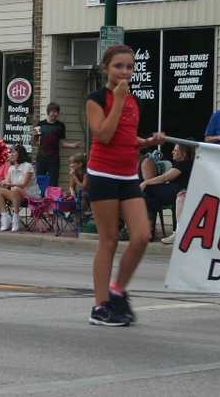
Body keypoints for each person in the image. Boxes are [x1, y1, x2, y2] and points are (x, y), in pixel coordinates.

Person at [86, 44, 166, 327]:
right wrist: (118, 100)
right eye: (118, 66)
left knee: (142, 236)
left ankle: (117, 289)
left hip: (128, 175)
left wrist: (147, 142)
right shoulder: (97, 99)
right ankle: (100, 306)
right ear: (106, 69)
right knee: (108, 240)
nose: (125, 72)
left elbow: (125, 137)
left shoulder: (135, 100)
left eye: (129, 67)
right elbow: (104, 135)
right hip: (102, 175)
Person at [140, 144, 193, 244]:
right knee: (148, 197)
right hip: (174, 190)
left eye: (176, 150)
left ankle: (148, 228)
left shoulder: (184, 163)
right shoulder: (183, 163)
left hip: (178, 192)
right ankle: (149, 226)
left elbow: (165, 178)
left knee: (147, 189)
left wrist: (146, 182)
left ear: (184, 154)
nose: (172, 152)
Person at [31, 102, 79, 188]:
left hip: (54, 158)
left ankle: (52, 200)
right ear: (48, 112)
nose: (54, 114)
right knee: (40, 180)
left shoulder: (60, 126)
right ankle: (40, 199)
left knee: (53, 181)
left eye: (56, 112)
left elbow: (62, 143)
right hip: (41, 157)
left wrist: (73, 145)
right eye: (52, 111)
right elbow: (35, 141)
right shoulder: (40, 124)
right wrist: (34, 135)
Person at [0, 145, 35, 233]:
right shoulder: (11, 168)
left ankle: (16, 218)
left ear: (20, 154)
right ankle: (5, 217)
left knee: (15, 189)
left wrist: (9, 184)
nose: (10, 154)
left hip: (29, 195)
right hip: (15, 195)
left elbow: (23, 184)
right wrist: (0, 182)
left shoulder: (28, 166)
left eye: (13, 152)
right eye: (10, 152)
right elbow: (6, 182)